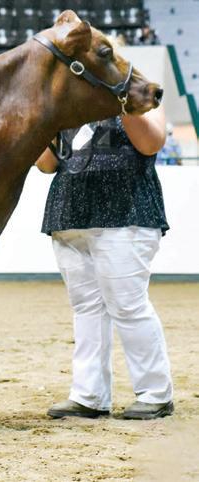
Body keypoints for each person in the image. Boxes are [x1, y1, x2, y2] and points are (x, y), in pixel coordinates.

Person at [35, 106, 174, 420]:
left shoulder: (143, 99)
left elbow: (150, 143)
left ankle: (155, 393)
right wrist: (47, 119)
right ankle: (88, 395)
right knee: (86, 308)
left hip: (126, 213)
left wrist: (120, 101)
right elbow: (46, 163)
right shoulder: (70, 105)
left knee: (128, 305)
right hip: (70, 215)